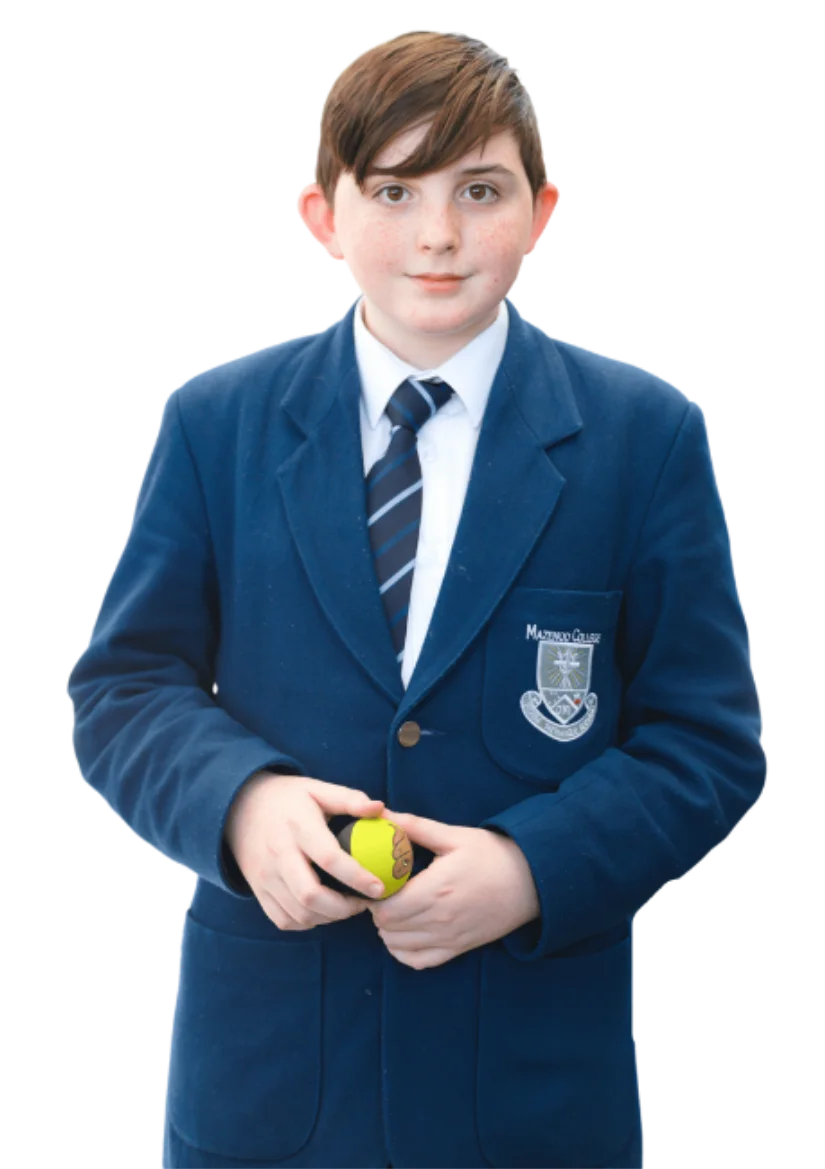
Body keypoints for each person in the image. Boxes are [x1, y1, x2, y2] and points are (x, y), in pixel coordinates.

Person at [66, 29, 766, 1169]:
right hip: (269, 1085)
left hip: (529, 1091)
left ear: (543, 212)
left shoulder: (647, 437)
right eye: (393, 190)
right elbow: (124, 687)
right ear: (322, 215)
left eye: (478, 190)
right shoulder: (214, 424)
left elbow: (708, 741)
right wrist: (241, 804)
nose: (438, 234)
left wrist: (535, 867)